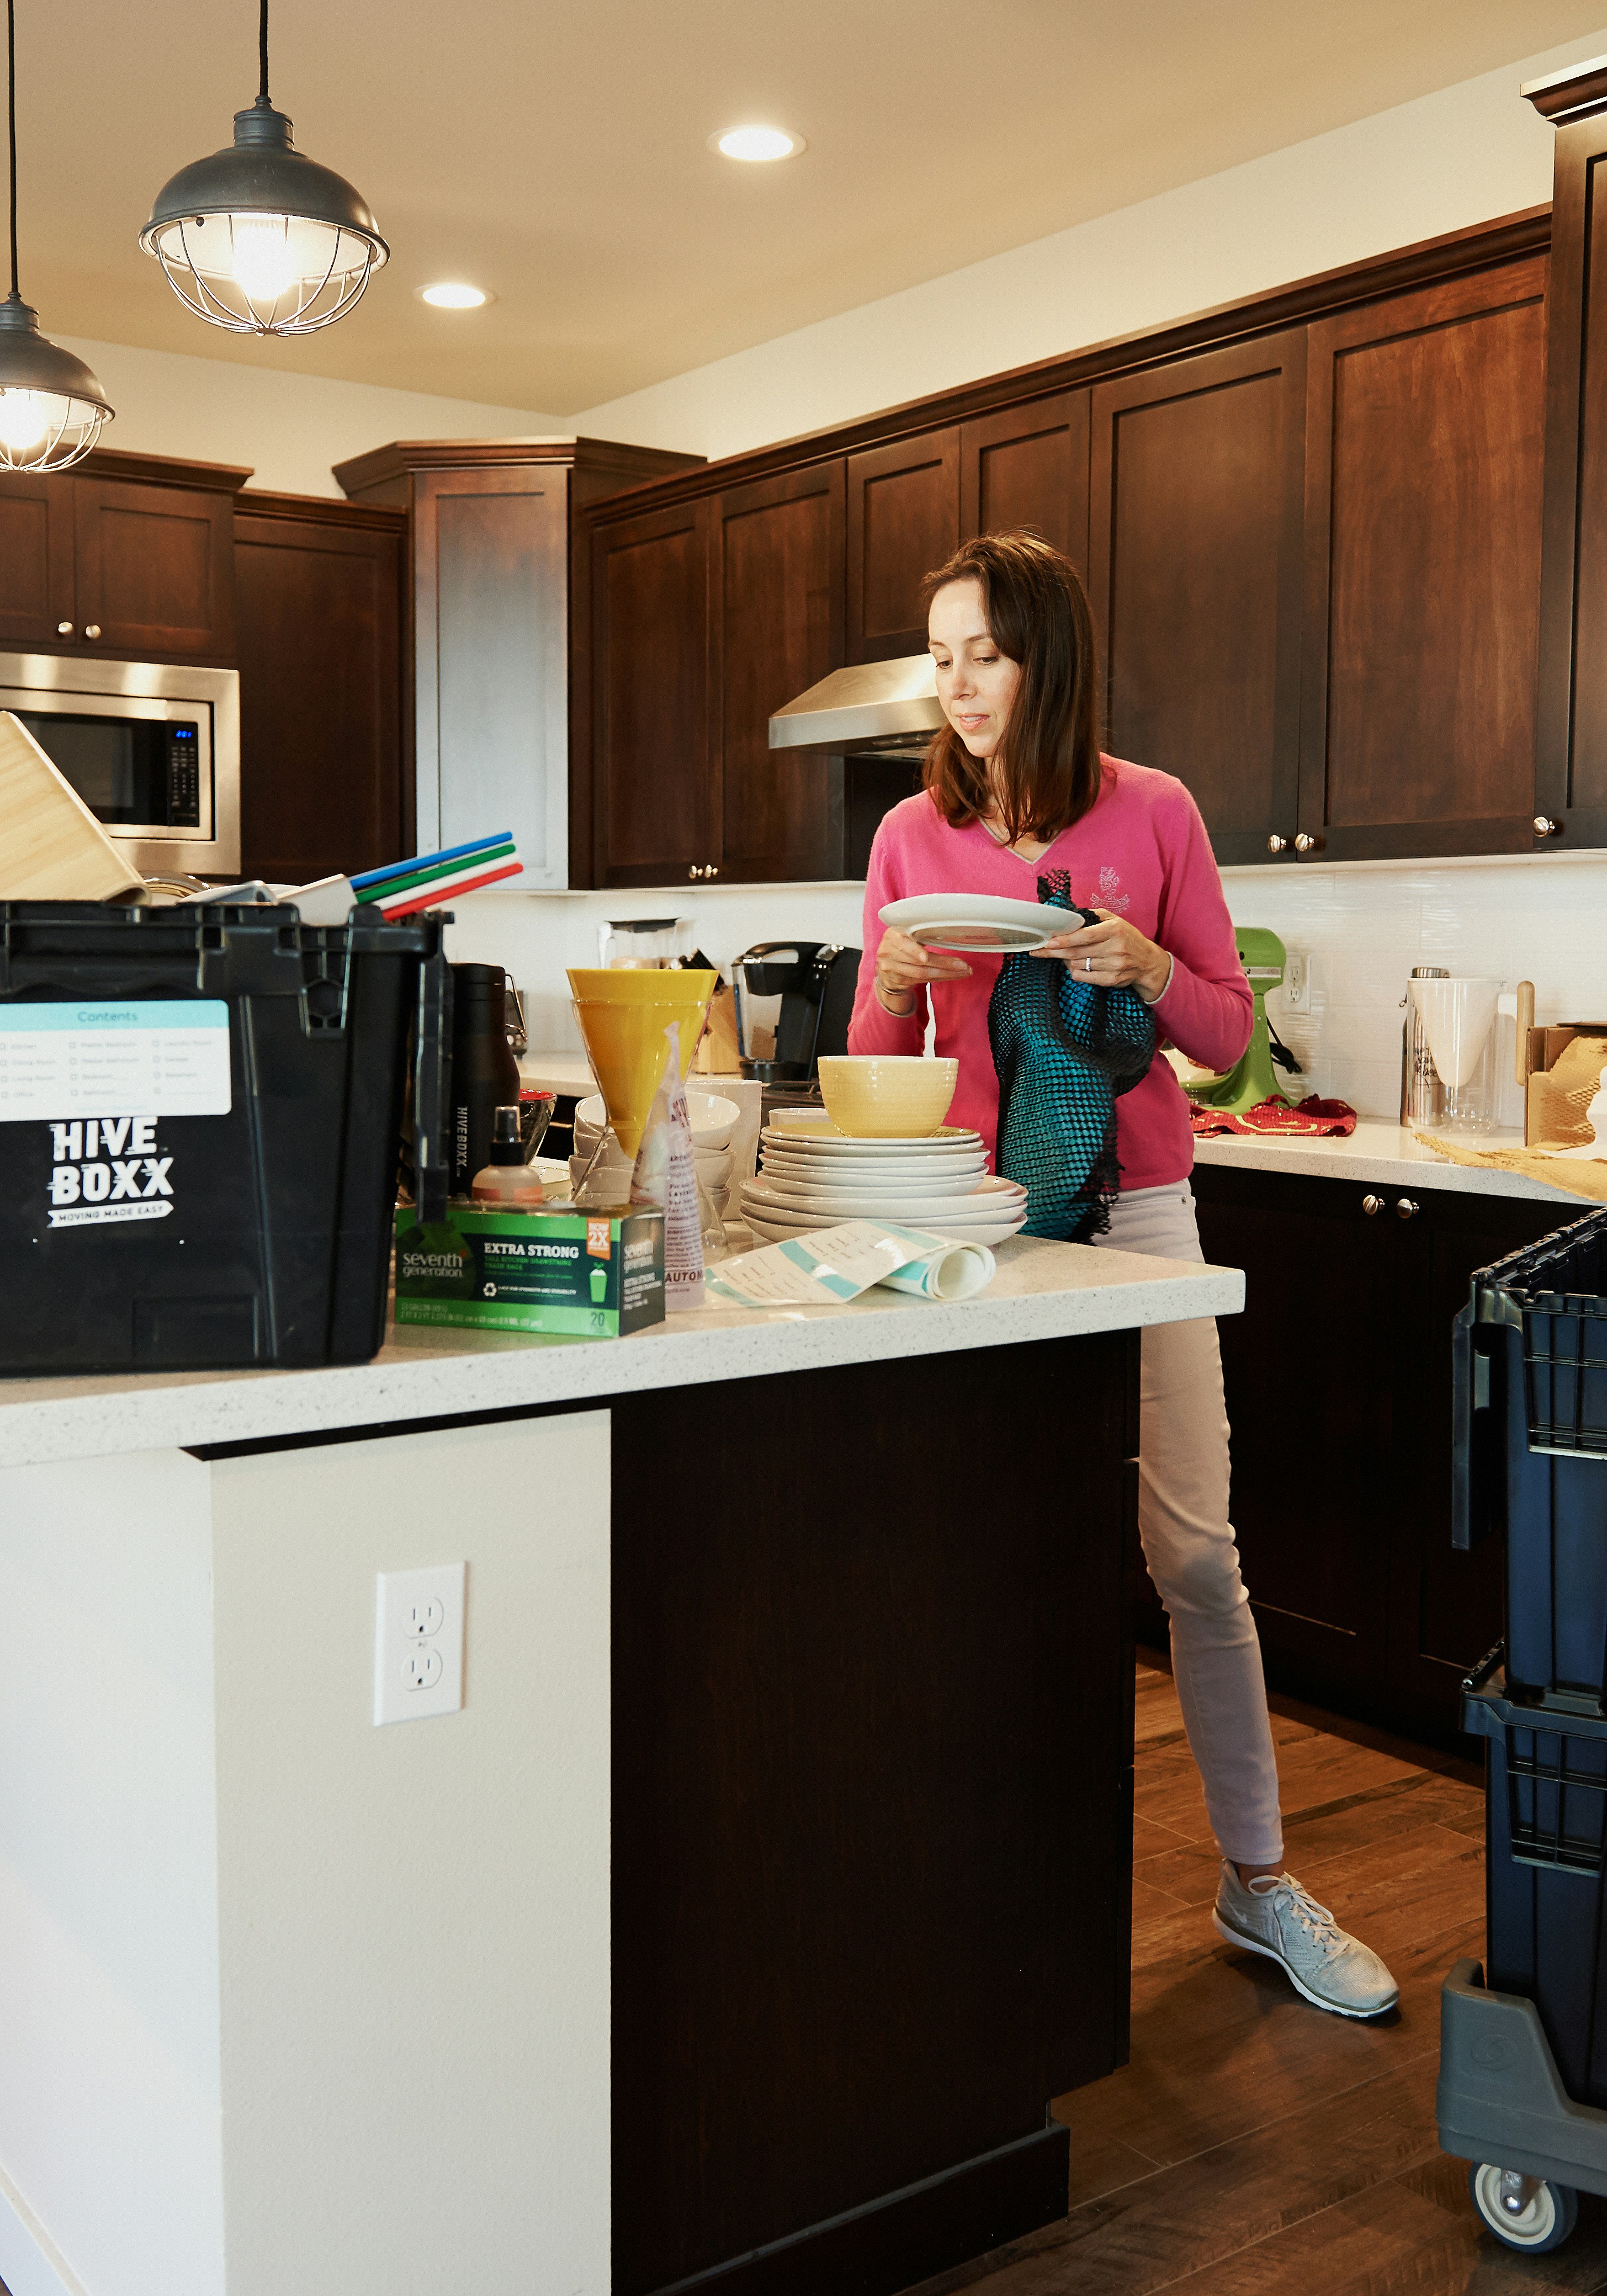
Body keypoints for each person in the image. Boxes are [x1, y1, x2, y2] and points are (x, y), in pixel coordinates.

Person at [848, 531, 1398, 2019]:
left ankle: (1260, 1879)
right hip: (973, 1219)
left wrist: (1143, 967)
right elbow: (873, 1074)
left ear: (1049, 656)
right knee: (979, 1561)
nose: (962, 686)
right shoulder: (910, 840)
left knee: (1198, 1561)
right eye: (943, 657)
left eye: (989, 652)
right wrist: (893, 994)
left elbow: (1229, 1037)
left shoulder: (1155, 810)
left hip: (1142, 1208)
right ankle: (972, 1881)